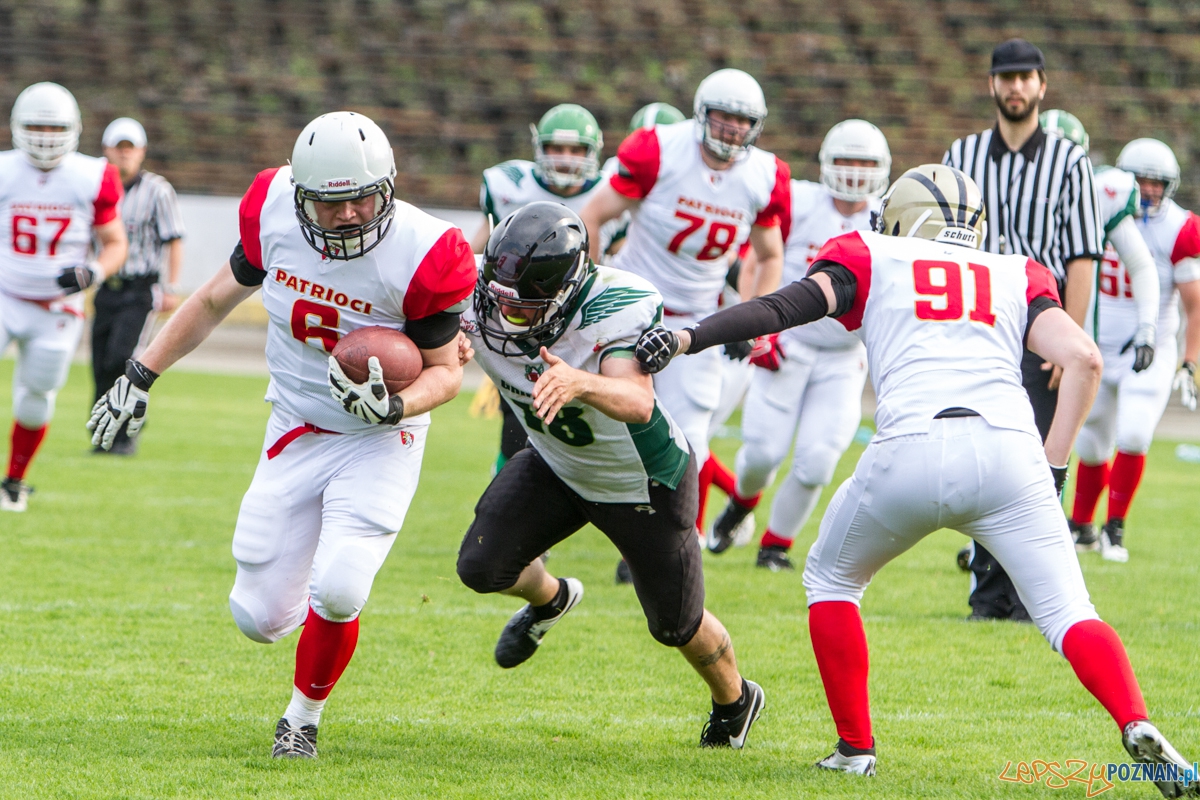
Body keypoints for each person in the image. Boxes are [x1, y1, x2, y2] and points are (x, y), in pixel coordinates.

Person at [634, 165, 1198, 795]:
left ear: (899, 216)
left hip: (910, 446)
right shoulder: (1017, 271)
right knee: (1069, 612)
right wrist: (1055, 467)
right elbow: (1083, 358)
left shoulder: (869, 252)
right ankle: (1135, 717)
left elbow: (779, 308)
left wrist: (687, 336)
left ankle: (855, 750)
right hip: (1010, 453)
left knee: (830, 577)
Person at [89, 111, 476, 758]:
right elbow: (214, 299)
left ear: (388, 188)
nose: (349, 214)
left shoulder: (423, 251)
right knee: (258, 618)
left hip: (380, 437)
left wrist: (394, 405)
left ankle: (302, 717)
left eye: (362, 198)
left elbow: (445, 375)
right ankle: (312, 616)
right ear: (300, 196)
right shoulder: (271, 210)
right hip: (295, 424)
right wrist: (139, 372)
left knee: (343, 584)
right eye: (332, 203)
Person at [457, 202, 764, 749]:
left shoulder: (617, 302)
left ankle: (735, 700)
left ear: (564, 291)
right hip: (558, 463)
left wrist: (581, 382)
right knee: (482, 566)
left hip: (641, 480)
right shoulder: (479, 287)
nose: (505, 318)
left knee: (676, 626)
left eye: (523, 307)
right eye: (498, 300)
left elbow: (638, 400)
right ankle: (551, 599)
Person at [579, 68, 790, 542]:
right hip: (632, 305)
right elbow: (592, 216)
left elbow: (770, 254)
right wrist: (590, 295)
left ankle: (673, 549)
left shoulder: (764, 175)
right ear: (701, 114)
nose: (733, 129)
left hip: (697, 321)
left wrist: (749, 320)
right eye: (723, 117)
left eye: (743, 121)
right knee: (610, 433)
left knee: (690, 439)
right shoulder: (660, 149)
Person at [942, 39, 1104, 620]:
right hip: (978, 318)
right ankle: (989, 594)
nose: (1015, 87)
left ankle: (1036, 595)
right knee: (985, 457)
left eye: (1025, 77)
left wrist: (1071, 341)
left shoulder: (1070, 161)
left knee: (1034, 461)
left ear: (1042, 86)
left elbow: (1083, 256)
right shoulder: (961, 153)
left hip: (1039, 321)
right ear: (992, 85)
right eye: (1005, 77)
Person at [705, 119, 888, 568]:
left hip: (846, 356)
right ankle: (742, 504)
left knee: (818, 462)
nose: (854, 172)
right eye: (846, 160)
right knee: (761, 456)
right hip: (787, 345)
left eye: (864, 163)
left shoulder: (889, 214)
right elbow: (757, 257)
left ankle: (775, 547)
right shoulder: (801, 201)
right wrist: (754, 325)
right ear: (826, 163)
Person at [1070, 138, 1200, 561]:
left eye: (1155, 183)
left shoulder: (1180, 228)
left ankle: (1115, 526)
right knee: (1090, 442)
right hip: (1098, 344)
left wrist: (1190, 361)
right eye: (1140, 180)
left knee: (1135, 433)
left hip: (1151, 346)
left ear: (1170, 187)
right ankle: (1082, 526)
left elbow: (1193, 303)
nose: (1146, 190)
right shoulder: (1097, 208)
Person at [0, 82, 127, 512]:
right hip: (4, 293)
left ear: (72, 129)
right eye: (35, 126)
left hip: (58, 306)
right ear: (17, 126)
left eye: (54, 127)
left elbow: (115, 243)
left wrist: (94, 271)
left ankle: (14, 480)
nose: (44, 136)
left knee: (37, 397)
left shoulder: (92, 175)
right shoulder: (4, 171)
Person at [469, 104, 610, 474]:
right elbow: (479, 251)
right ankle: (504, 493)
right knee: (516, 430)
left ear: (593, 152)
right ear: (538, 148)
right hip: (518, 323)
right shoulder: (509, 185)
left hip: (582, 325)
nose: (566, 159)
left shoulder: (612, 194)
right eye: (556, 148)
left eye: (577, 150)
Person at [90, 117, 186, 455]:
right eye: (119, 148)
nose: (124, 155)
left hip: (139, 288)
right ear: (107, 151)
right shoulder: (97, 186)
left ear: (141, 152)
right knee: (100, 363)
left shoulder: (157, 190)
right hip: (107, 286)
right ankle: (102, 437)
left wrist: (171, 285)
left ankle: (127, 433)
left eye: (130, 149)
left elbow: (173, 239)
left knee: (123, 358)